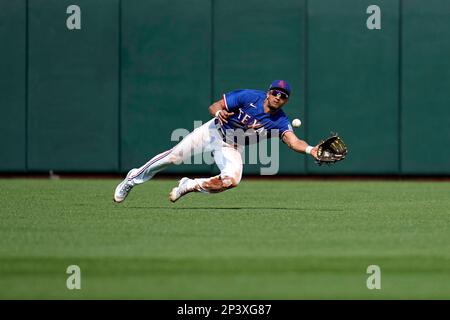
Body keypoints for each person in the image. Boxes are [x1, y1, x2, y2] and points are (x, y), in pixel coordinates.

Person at [113, 80, 318, 203]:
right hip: (212, 131)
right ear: (268, 92)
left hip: (231, 146)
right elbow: (215, 106)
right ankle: (132, 178)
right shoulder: (248, 97)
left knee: (231, 180)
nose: (278, 97)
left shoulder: (280, 120)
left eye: (283, 96)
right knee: (173, 157)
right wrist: (219, 112)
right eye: (275, 92)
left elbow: (293, 141)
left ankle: (189, 185)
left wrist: (311, 150)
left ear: (286, 101)